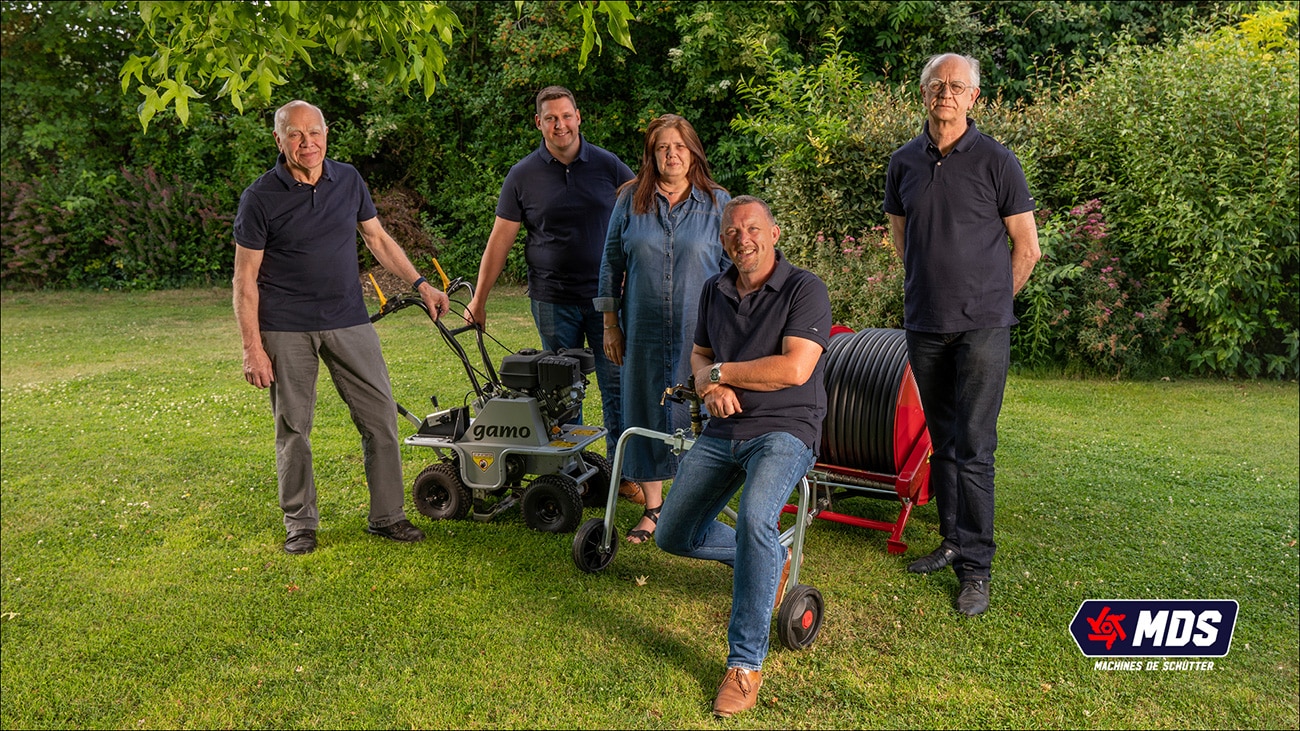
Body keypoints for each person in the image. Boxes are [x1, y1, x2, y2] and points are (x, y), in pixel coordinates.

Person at [233, 100, 451, 555]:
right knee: (294, 428)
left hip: (349, 318)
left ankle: (388, 516)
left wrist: (421, 283)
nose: (307, 142)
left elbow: (377, 238)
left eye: (314, 132)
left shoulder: (348, 179)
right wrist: (253, 347)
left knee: (380, 419)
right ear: (278, 139)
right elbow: (244, 279)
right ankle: (300, 523)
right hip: (286, 326)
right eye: (295, 134)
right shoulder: (260, 197)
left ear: (326, 134)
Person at [655, 196, 832, 718]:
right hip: (724, 428)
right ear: (722, 240)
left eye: (753, 229)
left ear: (774, 233)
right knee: (672, 534)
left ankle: (745, 665)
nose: (743, 239)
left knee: (756, 517)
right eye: (732, 231)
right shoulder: (715, 289)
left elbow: (794, 369)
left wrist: (721, 374)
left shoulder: (805, 289)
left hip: (786, 428)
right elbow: (700, 357)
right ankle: (769, 560)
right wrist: (710, 388)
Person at [883, 53, 1041, 616]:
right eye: (937, 85)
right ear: (923, 93)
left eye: (956, 86)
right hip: (925, 324)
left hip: (981, 330)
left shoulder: (998, 161)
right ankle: (951, 540)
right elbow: (902, 240)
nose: (945, 93)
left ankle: (976, 568)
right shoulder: (903, 162)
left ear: (974, 97)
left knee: (974, 445)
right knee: (943, 440)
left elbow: (1027, 247)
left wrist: (991, 305)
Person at [465, 86, 641, 502]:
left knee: (616, 386)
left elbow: (644, 215)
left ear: (578, 117)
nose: (560, 125)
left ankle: (622, 475)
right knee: (561, 392)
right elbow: (500, 240)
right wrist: (479, 298)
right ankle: (570, 474)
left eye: (565, 116)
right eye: (550, 118)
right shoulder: (522, 175)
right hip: (552, 299)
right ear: (539, 123)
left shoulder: (609, 166)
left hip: (607, 302)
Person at [596, 114, 731, 543]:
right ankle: (653, 508)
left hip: (699, 333)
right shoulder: (629, 200)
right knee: (644, 409)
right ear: (651, 155)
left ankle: (696, 506)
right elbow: (610, 264)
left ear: (693, 152)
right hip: (642, 329)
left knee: (701, 416)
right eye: (662, 148)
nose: (672, 155)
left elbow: (732, 274)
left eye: (679, 146)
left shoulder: (718, 203)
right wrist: (611, 325)